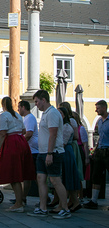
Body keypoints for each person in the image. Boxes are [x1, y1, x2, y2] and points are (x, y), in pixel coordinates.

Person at [27, 90, 71, 219]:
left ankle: (65, 208)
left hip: (52, 152)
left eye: (36, 102)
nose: (36, 105)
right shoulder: (46, 113)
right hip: (42, 152)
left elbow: (53, 134)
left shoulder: (52, 113)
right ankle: (43, 207)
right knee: (40, 179)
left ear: (43, 100)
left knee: (55, 180)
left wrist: (50, 153)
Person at [0, 97, 35, 213]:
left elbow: (2, 133)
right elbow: (23, 131)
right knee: (20, 173)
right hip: (21, 142)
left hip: (12, 143)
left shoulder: (4, 116)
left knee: (14, 174)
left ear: (3, 105)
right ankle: (21, 200)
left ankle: (18, 203)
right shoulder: (18, 116)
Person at [84, 100, 109, 209]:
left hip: (108, 151)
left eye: (98, 108)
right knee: (96, 175)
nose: (96, 110)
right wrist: (95, 149)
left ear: (104, 108)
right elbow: (100, 137)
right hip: (100, 150)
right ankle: (94, 200)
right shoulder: (99, 121)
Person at [56, 107, 81, 213]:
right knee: (67, 177)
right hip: (64, 151)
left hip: (66, 152)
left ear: (65, 115)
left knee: (67, 177)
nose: (58, 115)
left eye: (60, 113)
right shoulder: (62, 126)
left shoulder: (67, 126)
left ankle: (64, 204)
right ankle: (74, 202)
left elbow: (63, 142)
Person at [18, 100, 38, 204]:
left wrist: (20, 144)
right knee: (28, 176)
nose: (18, 109)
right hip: (31, 150)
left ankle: (23, 197)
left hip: (32, 151)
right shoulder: (27, 118)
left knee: (32, 176)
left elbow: (29, 134)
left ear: (23, 107)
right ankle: (22, 197)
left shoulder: (29, 118)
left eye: (19, 107)